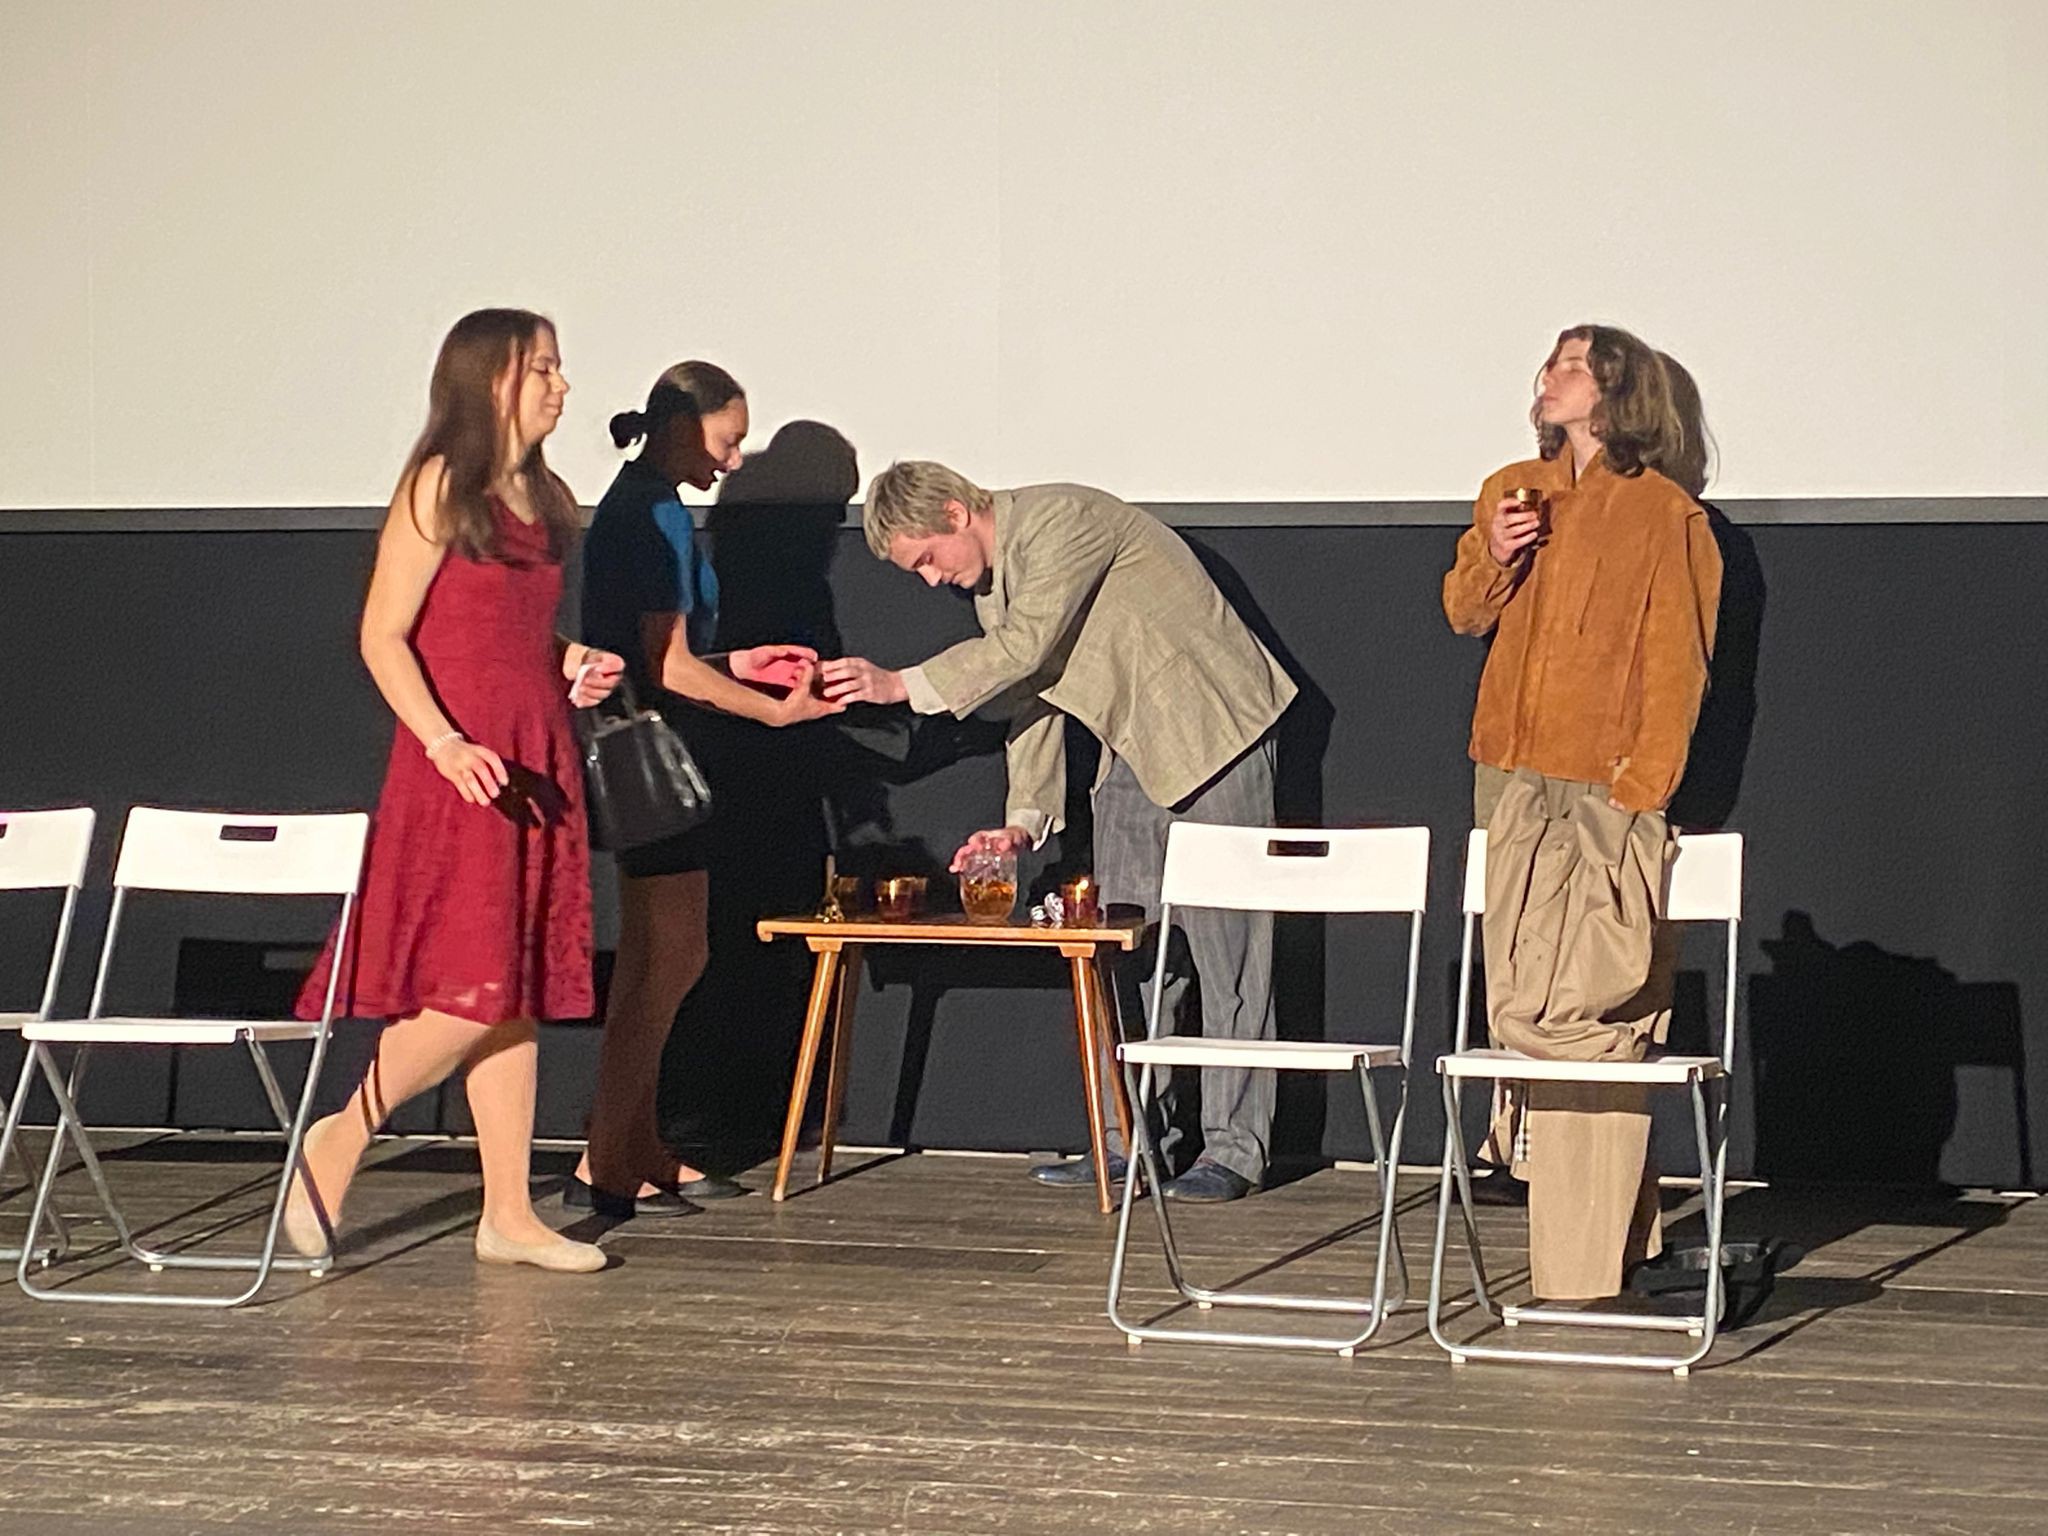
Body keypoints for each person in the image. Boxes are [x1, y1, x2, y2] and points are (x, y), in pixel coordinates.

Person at [822, 466, 1297, 1202]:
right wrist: (1023, 822)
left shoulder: (1063, 523)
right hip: (1132, 750)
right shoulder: (996, 589)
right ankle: (1130, 1142)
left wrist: (899, 685)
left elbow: (1024, 649)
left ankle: (1234, 1150)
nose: (931, 580)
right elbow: (1032, 693)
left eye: (927, 559)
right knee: (1123, 951)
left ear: (955, 513)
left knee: (1228, 954)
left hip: (1216, 731)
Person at [286, 308, 627, 1274]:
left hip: (532, 754)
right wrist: (443, 741)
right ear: (491, 380)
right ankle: (342, 1133)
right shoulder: (440, 484)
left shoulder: (545, 495)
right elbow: (384, 633)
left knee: (511, 988)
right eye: (543, 369)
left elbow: (508, 630)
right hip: (463, 765)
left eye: (559, 367)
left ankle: (508, 1214)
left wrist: (571, 661)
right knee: (473, 989)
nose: (562, 386)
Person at [1441, 323, 1723, 1301]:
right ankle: (1614, 1250)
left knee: (1593, 1012)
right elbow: (1464, 613)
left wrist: (1639, 792)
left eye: (1570, 365)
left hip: (1606, 789)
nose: (1546, 376)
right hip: (1512, 775)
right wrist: (1494, 552)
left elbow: (1678, 665)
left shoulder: (1665, 516)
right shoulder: (1513, 489)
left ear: (1617, 390)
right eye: (1548, 363)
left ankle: (1579, 1268)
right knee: (1524, 1003)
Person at [571, 362, 842, 1218]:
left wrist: (742, 663)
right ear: (685, 427)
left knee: (660, 959)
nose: (730, 463)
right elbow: (667, 667)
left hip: (646, 751)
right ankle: (607, 1154)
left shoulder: (638, 504)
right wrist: (772, 711)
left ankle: (630, 1141)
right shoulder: (651, 512)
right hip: (653, 762)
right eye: (727, 442)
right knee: (669, 958)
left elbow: (665, 653)